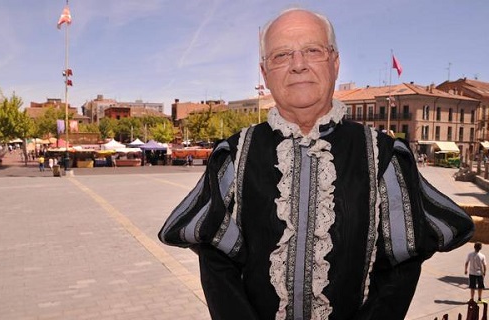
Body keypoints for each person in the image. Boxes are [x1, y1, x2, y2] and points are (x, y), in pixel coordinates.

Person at [158, 8, 474, 320]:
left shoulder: (385, 156)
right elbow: (214, 255)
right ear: (265, 73)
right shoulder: (233, 155)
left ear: (335, 63)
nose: (298, 65)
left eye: (312, 50)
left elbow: (405, 259)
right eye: (281, 55)